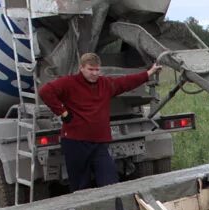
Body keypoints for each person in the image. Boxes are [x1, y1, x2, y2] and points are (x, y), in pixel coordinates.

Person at [39, 53, 161, 192]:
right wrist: (63, 113)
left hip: (99, 143)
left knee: (110, 181)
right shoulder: (69, 82)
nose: (94, 73)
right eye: (91, 69)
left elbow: (126, 82)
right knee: (80, 186)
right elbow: (45, 92)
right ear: (82, 68)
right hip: (75, 143)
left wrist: (149, 73)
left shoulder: (105, 84)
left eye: (97, 70)